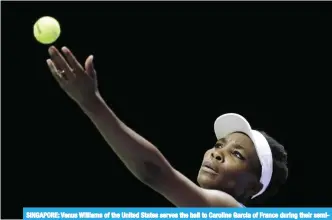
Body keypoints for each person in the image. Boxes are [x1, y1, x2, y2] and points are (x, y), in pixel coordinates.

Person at [46, 46, 288, 207]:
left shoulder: (230, 210)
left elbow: (155, 172)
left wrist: (91, 103)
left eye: (237, 154)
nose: (217, 153)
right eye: (218, 145)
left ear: (252, 187)